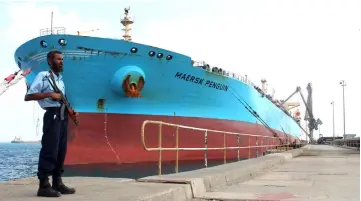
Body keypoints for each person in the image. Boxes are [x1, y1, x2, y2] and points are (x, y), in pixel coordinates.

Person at [25, 50, 78, 197]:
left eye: (62, 59)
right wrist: (49, 94)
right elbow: (28, 96)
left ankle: (57, 182)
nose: (61, 61)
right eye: (58, 59)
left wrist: (71, 112)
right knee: (50, 150)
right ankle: (43, 185)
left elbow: (63, 99)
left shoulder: (60, 80)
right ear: (49, 61)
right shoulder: (43, 76)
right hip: (52, 115)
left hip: (62, 116)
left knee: (61, 151)